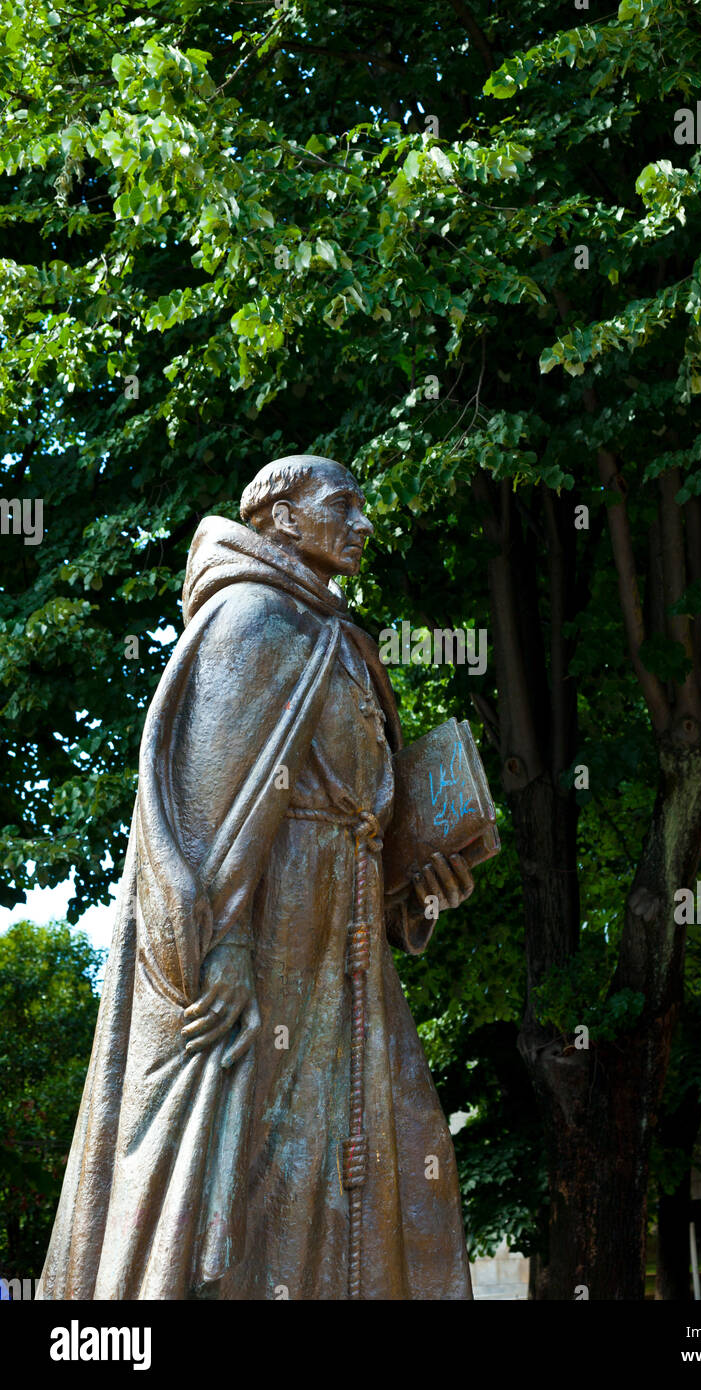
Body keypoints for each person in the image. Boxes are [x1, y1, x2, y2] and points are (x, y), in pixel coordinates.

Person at [38, 455, 475, 1300]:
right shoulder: (251, 623)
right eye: (341, 504)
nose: (362, 522)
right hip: (268, 951)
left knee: (396, 1162)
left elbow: (360, 819)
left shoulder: (336, 639)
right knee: (255, 1182)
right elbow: (200, 824)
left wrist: (417, 890)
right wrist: (223, 951)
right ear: (281, 516)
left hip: (340, 954)